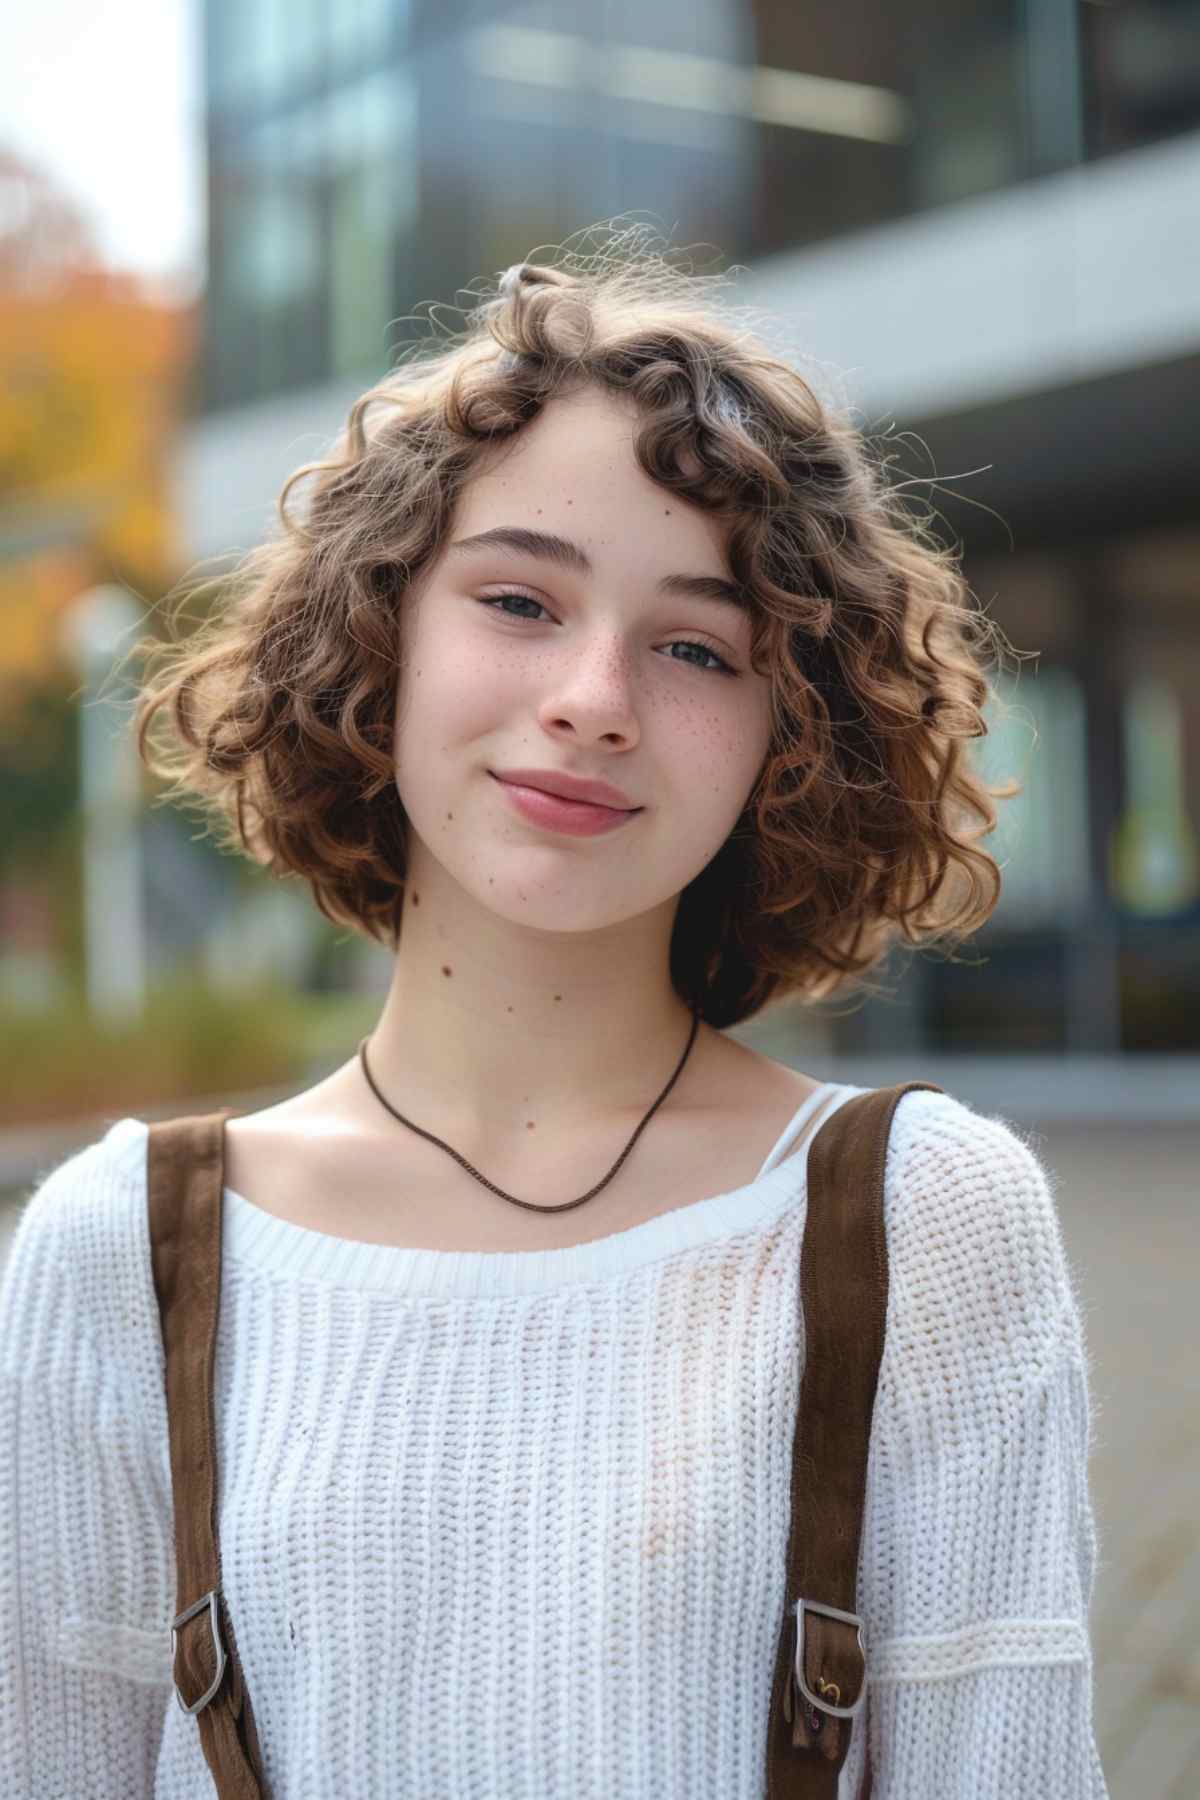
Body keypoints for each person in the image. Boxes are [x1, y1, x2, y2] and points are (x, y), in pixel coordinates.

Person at [0, 226, 1108, 1797]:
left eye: (692, 645)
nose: (595, 694)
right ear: (378, 643)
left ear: (791, 735)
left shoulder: (920, 1224)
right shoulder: (126, 1252)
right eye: (521, 602)